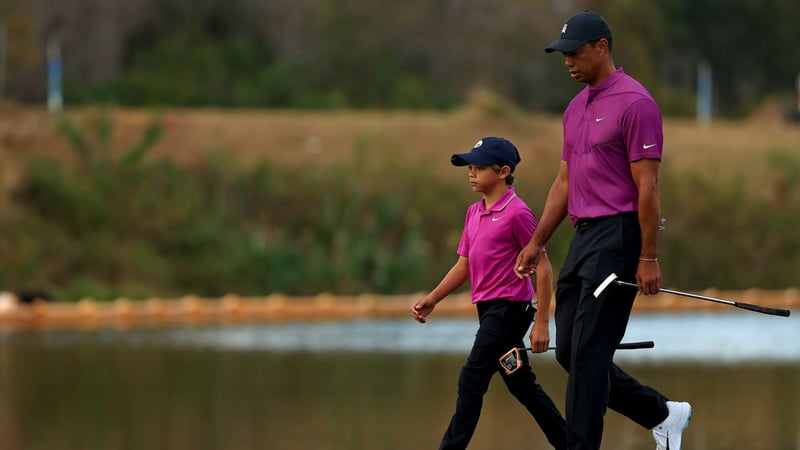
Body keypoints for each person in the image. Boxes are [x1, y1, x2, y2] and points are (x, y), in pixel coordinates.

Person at [513, 10, 691, 450]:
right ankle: (661, 413)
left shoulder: (636, 104)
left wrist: (648, 256)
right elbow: (563, 183)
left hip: (621, 235)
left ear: (602, 47)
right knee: (572, 353)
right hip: (584, 237)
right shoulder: (576, 108)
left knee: (590, 353)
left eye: (575, 52)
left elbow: (648, 187)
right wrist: (537, 242)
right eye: (563, 55)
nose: (568, 62)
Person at [410, 137, 567, 450]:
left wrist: (542, 322)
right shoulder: (473, 212)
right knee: (521, 383)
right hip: (488, 312)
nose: (471, 173)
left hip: (509, 311)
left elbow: (545, 268)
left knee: (472, 378)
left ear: (503, 171)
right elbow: (464, 265)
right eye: (470, 167)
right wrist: (433, 299)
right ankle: (572, 444)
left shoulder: (518, 213)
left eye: (479, 168)